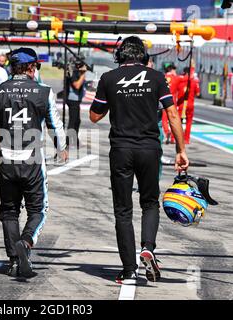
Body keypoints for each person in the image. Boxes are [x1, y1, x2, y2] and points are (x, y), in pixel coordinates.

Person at [89, 36, 189, 285]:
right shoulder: (156, 77)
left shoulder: (108, 79)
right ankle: (148, 248)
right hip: (149, 148)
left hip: (121, 149)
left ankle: (128, 269)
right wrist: (180, 149)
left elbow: (93, 116)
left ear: (120, 56)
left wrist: (116, 100)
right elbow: (173, 114)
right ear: (144, 56)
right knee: (149, 202)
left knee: (123, 210)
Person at [0, 47, 68, 278]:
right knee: (38, 210)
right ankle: (26, 243)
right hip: (32, 161)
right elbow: (54, 124)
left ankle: (12, 259)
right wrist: (61, 148)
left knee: (9, 211)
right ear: (31, 67)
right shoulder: (43, 91)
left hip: (6, 161)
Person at [172, 67, 201, 144]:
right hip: (190, 104)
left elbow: (174, 90)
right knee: (189, 122)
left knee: (177, 122)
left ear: (184, 72)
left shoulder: (180, 80)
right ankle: (186, 139)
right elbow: (198, 94)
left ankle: (174, 138)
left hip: (181, 104)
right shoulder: (194, 81)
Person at [65, 59, 87, 149]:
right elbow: (77, 85)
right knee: (72, 122)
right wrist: (83, 74)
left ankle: (75, 142)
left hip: (75, 100)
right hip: (72, 100)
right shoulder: (73, 73)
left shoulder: (76, 72)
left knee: (77, 121)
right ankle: (67, 143)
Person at [163, 64, 178, 144]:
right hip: (173, 101)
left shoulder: (163, 77)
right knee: (173, 119)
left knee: (164, 119)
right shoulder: (176, 78)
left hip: (164, 100)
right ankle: (173, 138)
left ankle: (166, 131)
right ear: (172, 70)